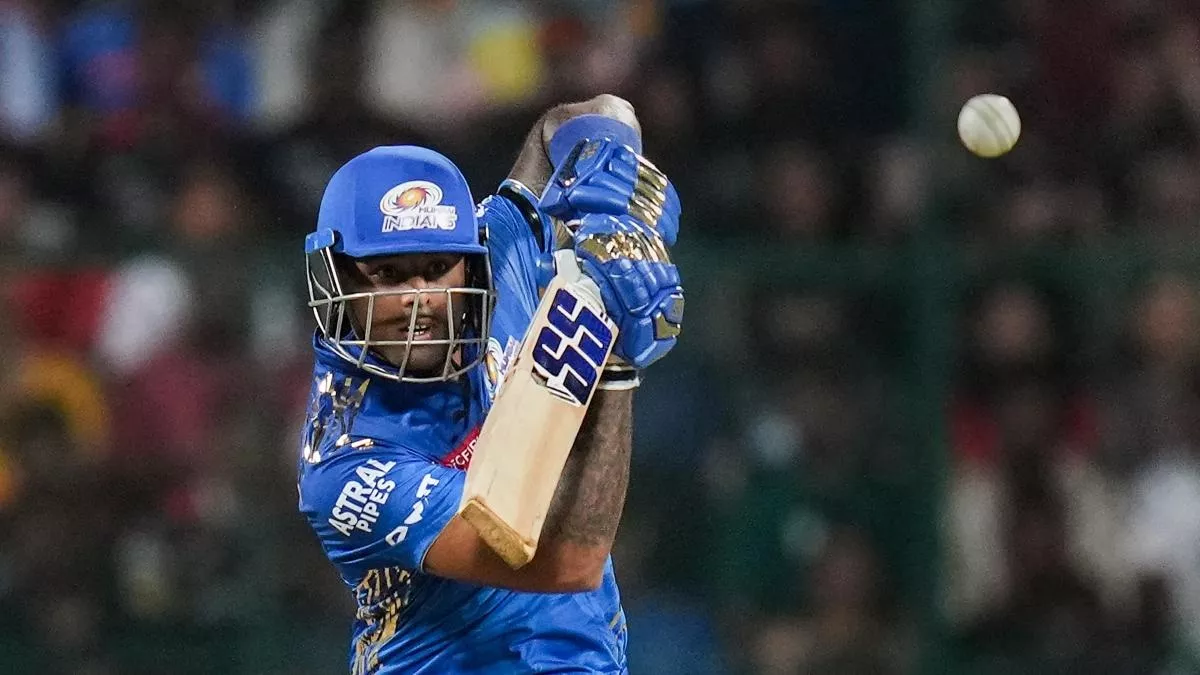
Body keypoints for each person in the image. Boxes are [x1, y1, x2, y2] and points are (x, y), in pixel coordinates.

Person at [296, 95, 684, 674]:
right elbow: (561, 562)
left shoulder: (498, 257)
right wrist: (610, 349)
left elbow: (581, 120)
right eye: (388, 275)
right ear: (337, 278)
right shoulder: (346, 461)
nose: (420, 299)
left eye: (437, 268)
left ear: (470, 261)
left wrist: (615, 199)